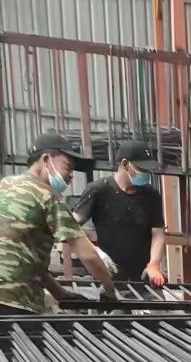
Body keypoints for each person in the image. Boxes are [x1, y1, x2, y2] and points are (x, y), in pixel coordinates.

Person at [0, 133, 117, 314]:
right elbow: (89, 256)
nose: (71, 176)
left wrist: (61, 294)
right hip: (15, 303)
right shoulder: (47, 196)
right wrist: (109, 290)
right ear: (46, 159)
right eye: (68, 167)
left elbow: (27, 260)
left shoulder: (4, 185)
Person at [72, 140, 166, 285]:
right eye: (141, 169)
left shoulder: (151, 195)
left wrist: (154, 264)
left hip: (143, 276)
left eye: (147, 171)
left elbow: (158, 233)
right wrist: (94, 252)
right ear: (125, 164)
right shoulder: (98, 190)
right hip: (107, 273)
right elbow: (71, 225)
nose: (145, 174)